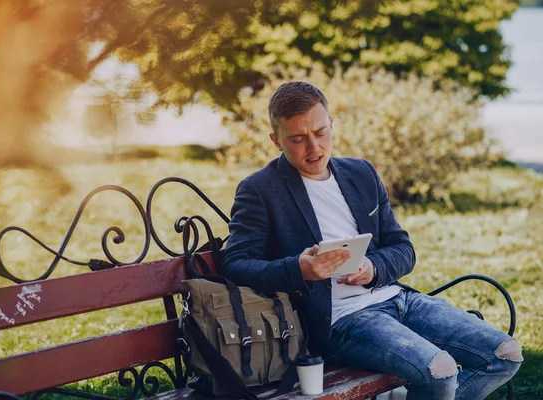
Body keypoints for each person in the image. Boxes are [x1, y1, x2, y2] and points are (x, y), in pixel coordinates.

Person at [222, 81, 522, 399]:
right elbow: (236, 264)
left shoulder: (360, 173)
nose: (314, 148)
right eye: (297, 139)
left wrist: (373, 268)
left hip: (398, 299)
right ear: (276, 141)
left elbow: (403, 248)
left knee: (506, 354)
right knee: (440, 373)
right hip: (339, 321)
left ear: (332, 124)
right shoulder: (259, 189)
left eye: (321, 132)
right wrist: (300, 269)